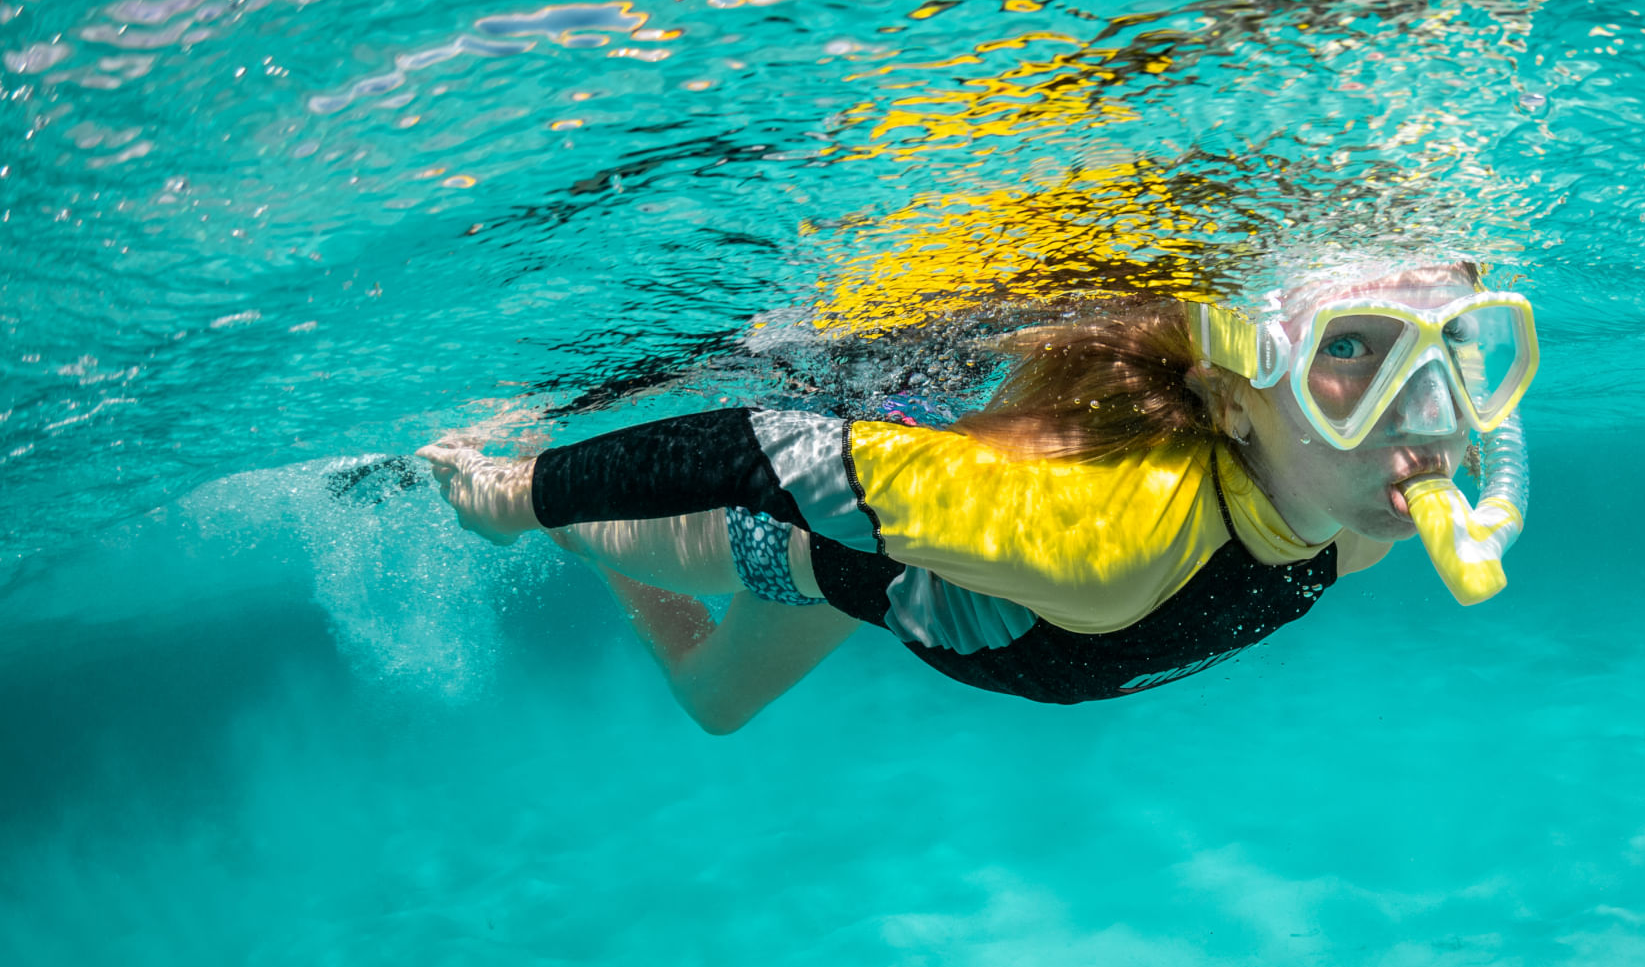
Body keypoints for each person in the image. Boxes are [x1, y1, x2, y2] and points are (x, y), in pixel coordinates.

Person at [420, 261, 1537, 726]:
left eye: (1456, 359)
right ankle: (543, 503)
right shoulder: (1096, 544)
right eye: (1357, 352)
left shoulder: (1359, 517)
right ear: (1239, 396)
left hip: (935, 561)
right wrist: (516, 495)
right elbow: (755, 447)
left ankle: (589, 541)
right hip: (798, 541)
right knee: (573, 526)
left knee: (716, 704)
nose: (1427, 415)